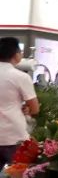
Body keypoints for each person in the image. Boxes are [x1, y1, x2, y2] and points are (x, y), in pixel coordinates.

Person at [0, 37, 38, 168]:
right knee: (20, 175)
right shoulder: (21, 77)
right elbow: (35, 108)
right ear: (16, 55)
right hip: (14, 135)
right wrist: (26, 108)